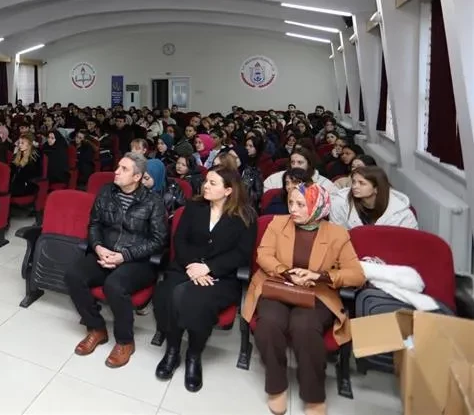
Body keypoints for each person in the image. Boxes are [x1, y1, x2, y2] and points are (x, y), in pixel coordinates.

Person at [244, 184, 365, 415]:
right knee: (269, 324)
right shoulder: (278, 223)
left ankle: (313, 395)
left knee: (304, 327)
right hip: (278, 285)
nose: (293, 209)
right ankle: (276, 385)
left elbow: (357, 274)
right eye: (291, 203)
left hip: (316, 292)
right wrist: (286, 272)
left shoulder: (337, 234)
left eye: (301, 204)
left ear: (318, 207)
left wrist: (320, 276)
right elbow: (263, 255)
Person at [153, 167, 255, 392]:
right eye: (206, 181)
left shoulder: (245, 216)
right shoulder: (194, 207)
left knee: (194, 301)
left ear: (228, 190)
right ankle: (172, 350)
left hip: (221, 276)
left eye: (212, 183)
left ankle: (193, 355)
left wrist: (208, 268)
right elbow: (180, 240)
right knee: (166, 293)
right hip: (186, 267)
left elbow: (241, 254)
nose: (205, 186)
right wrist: (192, 267)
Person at [65, 153, 166, 368]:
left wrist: (124, 256)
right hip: (105, 252)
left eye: (124, 169)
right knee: (73, 275)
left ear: (137, 177)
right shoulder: (106, 192)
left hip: (137, 260)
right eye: (118, 167)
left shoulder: (153, 202)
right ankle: (96, 328)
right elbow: (94, 224)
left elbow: (158, 241)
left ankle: (125, 341)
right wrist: (98, 247)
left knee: (114, 285)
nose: (116, 171)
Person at [330, 166, 417, 229]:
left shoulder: (401, 214)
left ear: (376, 188)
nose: (354, 186)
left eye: (362, 183)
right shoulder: (341, 203)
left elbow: (410, 241)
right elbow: (336, 233)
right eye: (354, 182)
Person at [263, 149, 336, 194]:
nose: (295, 166)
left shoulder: (325, 184)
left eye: (300, 162)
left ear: (309, 164)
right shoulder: (276, 178)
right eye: (292, 162)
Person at [10, 133, 42, 198]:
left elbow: (33, 172)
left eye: (22, 143)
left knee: (11, 189)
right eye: (19, 143)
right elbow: (12, 170)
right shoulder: (18, 154)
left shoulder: (34, 156)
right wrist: (14, 154)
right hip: (18, 182)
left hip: (28, 183)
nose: (20, 145)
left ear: (29, 144)